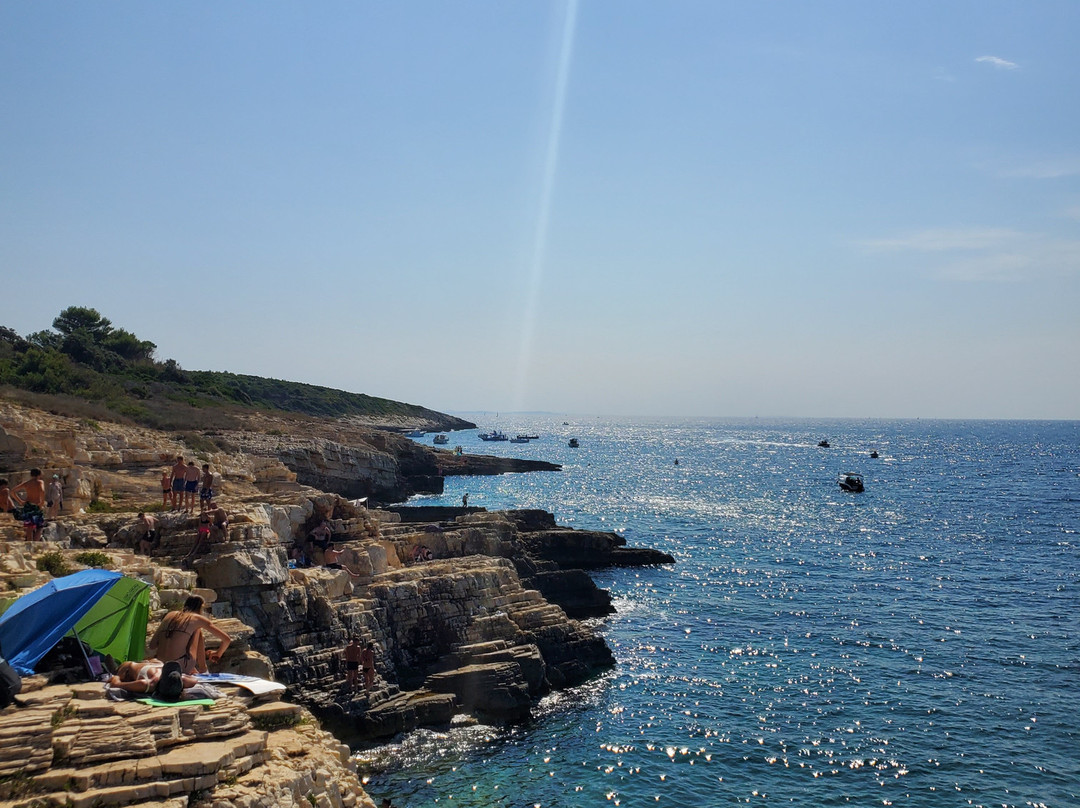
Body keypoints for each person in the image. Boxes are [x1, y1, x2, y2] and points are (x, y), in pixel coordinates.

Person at [147, 595, 231, 675]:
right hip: (179, 666)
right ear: (201, 607)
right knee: (198, 630)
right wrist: (218, 653)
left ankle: (199, 668)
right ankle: (203, 669)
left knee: (190, 632)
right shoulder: (197, 619)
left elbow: (152, 645)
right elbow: (226, 640)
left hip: (161, 664)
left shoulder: (170, 615)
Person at [10, 469, 46, 541]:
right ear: (39, 474)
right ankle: (36, 542)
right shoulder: (40, 482)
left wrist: (20, 501)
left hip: (28, 505)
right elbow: (42, 491)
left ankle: (30, 542)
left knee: (29, 526)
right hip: (36, 505)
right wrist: (42, 502)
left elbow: (12, 491)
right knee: (39, 526)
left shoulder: (26, 483)